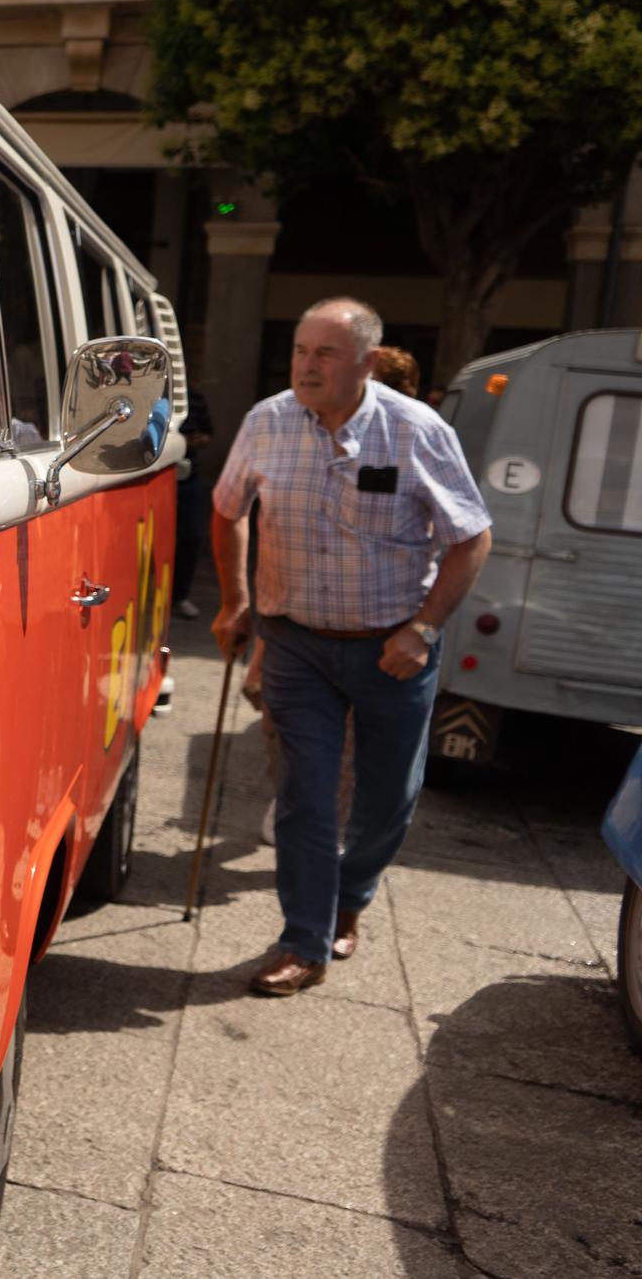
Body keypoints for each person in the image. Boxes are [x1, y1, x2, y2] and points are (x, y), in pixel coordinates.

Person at [211, 297, 492, 997]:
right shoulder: (267, 421)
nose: (306, 366)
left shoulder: (415, 429)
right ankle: (304, 939)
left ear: (366, 361)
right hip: (296, 642)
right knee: (304, 793)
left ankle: (352, 896)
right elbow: (227, 510)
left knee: (389, 795)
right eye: (300, 351)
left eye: (325, 354)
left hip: (392, 647)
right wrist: (236, 600)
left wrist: (422, 628)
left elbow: (470, 538)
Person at [171, 387, 214, 618]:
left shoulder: (195, 397)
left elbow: (208, 433)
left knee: (193, 535)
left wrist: (197, 440)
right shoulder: (150, 395)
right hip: (157, 477)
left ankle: (179, 596)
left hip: (189, 477)